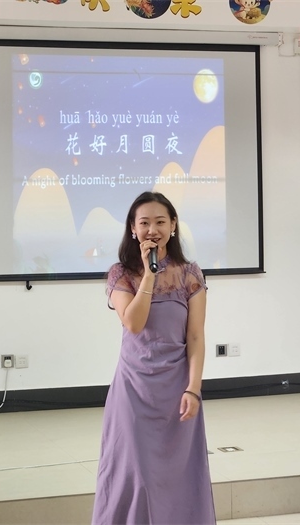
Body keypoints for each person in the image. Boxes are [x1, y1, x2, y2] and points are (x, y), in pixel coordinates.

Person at [92, 191, 216, 525]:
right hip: (134, 390)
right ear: (133, 229)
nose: (152, 229)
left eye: (160, 221)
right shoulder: (121, 274)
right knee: (136, 477)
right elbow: (133, 323)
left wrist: (194, 389)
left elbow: (195, 337)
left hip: (177, 390)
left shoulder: (190, 274)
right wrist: (149, 274)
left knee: (179, 477)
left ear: (173, 225)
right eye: (144, 223)